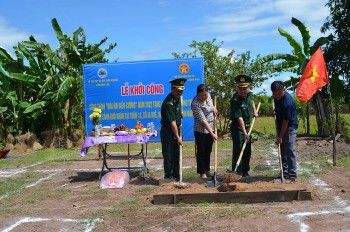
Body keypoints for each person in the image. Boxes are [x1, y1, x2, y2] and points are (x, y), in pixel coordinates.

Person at [230, 74, 258, 177]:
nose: (242, 91)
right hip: (238, 128)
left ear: (248, 87)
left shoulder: (249, 94)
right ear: (237, 88)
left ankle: (245, 171)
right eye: (240, 89)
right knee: (239, 149)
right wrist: (245, 133)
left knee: (247, 150)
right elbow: (239, 118)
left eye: (244, 88)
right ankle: (237, 171)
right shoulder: (235, 100)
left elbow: (252, 101)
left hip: (248, 126)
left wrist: (254, 110)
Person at [271, 81, 298, 181]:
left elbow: (286, 121)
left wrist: (280, 137)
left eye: (279, 93)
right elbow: (279, 108)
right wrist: (275, 111)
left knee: (289, 149)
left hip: (290, 127)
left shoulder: (288, 102)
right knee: (282, 149)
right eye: (275, 94)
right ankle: (285, 172)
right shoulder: (276, 97)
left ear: (284, 90)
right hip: (281, 125)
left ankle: (292, 174)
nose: (277, 96)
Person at [160, 77, 187, 181]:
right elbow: (172, 123)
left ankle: (177, 175)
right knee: (169, 154)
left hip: (177, 129)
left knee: (177, 152)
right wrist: (178, 137)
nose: (179, 92)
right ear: (172, 89)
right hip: (168, 131)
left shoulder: (179, 98)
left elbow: (177, 115)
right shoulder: (168, 103)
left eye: (181, 90)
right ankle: (169, 176)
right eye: (177, 90)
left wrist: (181, 114)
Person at [191, 84, 218, 179]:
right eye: (202, 95)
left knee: (208, 150)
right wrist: (212, 134)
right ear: (198, 94)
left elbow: (211, 105)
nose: (204, 97)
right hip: (201, 130)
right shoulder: (195, 104)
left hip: (212, 127)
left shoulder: (208, 96)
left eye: (205, 95)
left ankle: (207, 170)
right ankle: (202, 172)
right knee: (201, 151)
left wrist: (214, 108)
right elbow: (204, 121)